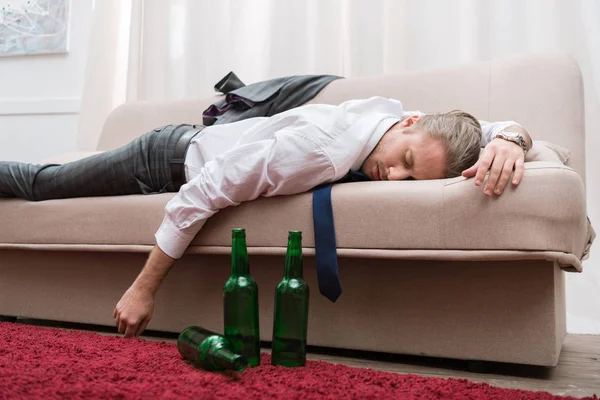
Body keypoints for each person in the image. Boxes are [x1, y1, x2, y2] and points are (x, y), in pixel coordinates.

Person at [0, 97, 532, 337]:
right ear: (409, 122)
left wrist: (510, 138)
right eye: (405, 163)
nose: (394, 178)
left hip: (185, 151)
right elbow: (200, 196)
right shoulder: (320, 152)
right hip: (163, 161)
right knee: (43, 185)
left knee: (47, 178)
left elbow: (480, 126)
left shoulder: (394, 117)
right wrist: (142, 290)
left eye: (413, 181)